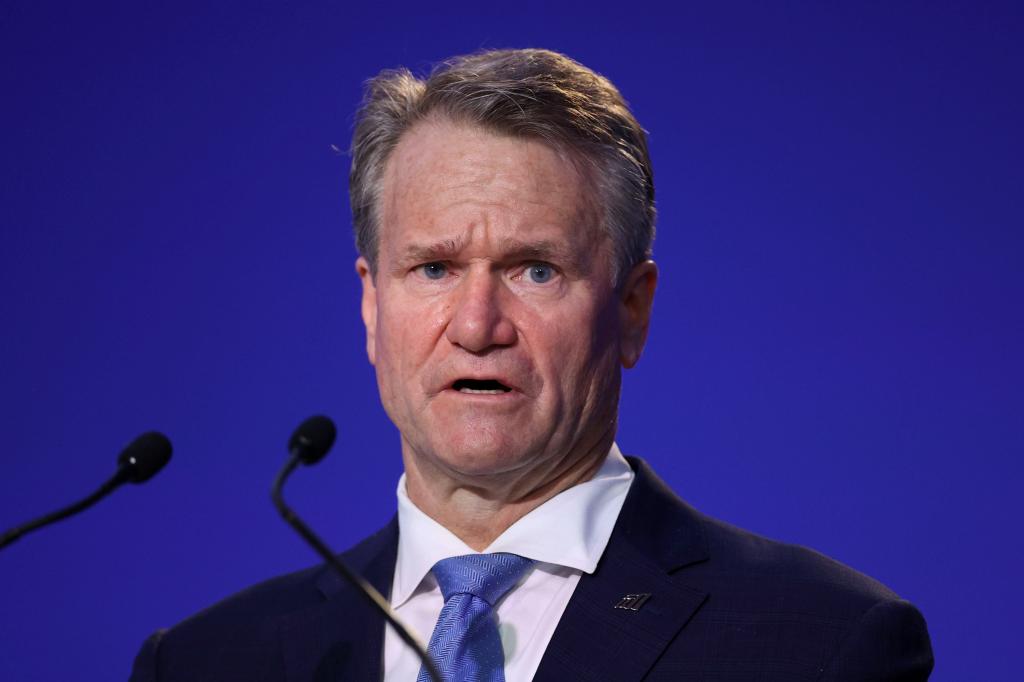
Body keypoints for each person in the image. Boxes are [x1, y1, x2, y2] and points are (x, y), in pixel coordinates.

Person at [129, 48, 933, 681]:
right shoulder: (204, 662)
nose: (477, 326)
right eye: (434, 269)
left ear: (631, 309)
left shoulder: (819, 646)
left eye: (535, 269)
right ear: (372, 307)